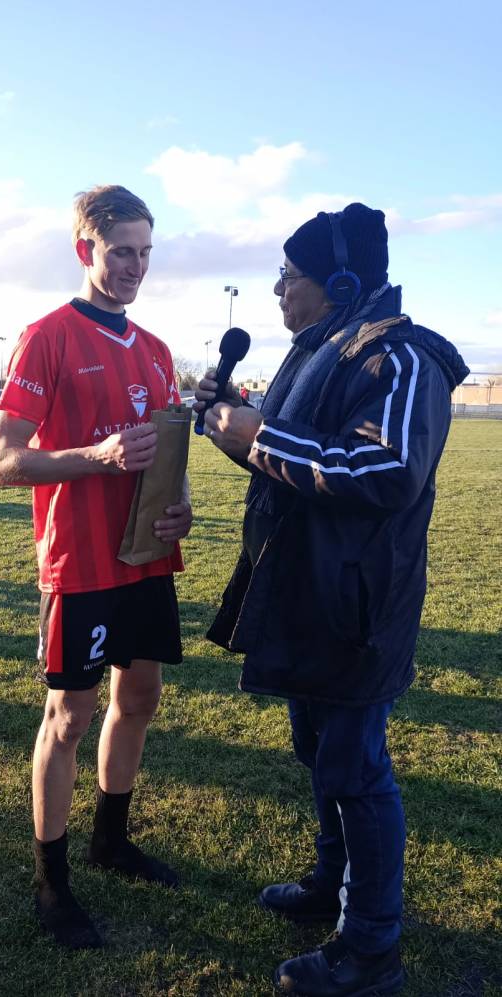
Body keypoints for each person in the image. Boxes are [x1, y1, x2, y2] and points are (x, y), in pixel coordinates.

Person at [195, 203, 468, 996]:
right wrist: (236, 434)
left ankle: (371, 947)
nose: (279, 288)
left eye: (291, 275)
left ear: (340, 281)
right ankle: (331, 886)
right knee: (321, 756)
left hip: (357, 607)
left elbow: (386, 473)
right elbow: (296, 469)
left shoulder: (404, 357)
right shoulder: (317, 351)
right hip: (306, 594)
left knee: (356, 768)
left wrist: (262, 435)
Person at [0, 185, 192, 950]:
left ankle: (112, 838)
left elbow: (168, 453)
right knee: (68, 717)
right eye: (122, 251)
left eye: (146, 251)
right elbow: (3, 461)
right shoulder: (47, 336)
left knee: (139, 697)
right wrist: (96, 457)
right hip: (79, 562)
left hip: (145, 557)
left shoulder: (158, 351)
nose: (136, 265)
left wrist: (180, 507)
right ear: (86, 250)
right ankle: (53, 881)